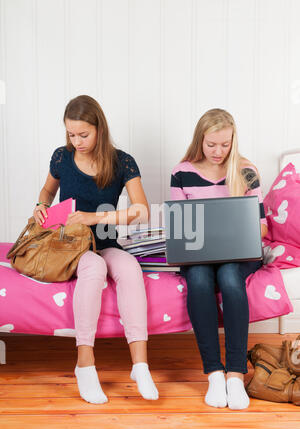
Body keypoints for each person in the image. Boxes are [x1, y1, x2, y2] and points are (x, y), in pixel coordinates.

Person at [33, 95, 159, 404]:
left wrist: (96, 217)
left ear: (99, 129)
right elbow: (47, 191)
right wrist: (41, 206)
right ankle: (85, 363)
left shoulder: (122, 161)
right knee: (94, 267)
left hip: (105, 240)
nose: (77, 141)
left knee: (129, 267)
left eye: (83, 134)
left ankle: (140, 365)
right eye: (71, 134)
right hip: (70, 244)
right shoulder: (62, 157)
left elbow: (141, 210)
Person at [170, 108, 268, 410]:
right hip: (199, 253)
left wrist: (238, 234)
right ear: (200, 139)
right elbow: (178, 226)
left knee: (228, 276)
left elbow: (263, 225)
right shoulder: (182, 172)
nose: (218, 151)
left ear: (233, 141)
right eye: (211, 144)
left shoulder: (246, 170)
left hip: (239, 252)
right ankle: (214, 372)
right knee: (199, 278)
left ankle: (236, 374)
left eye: (225, 145)